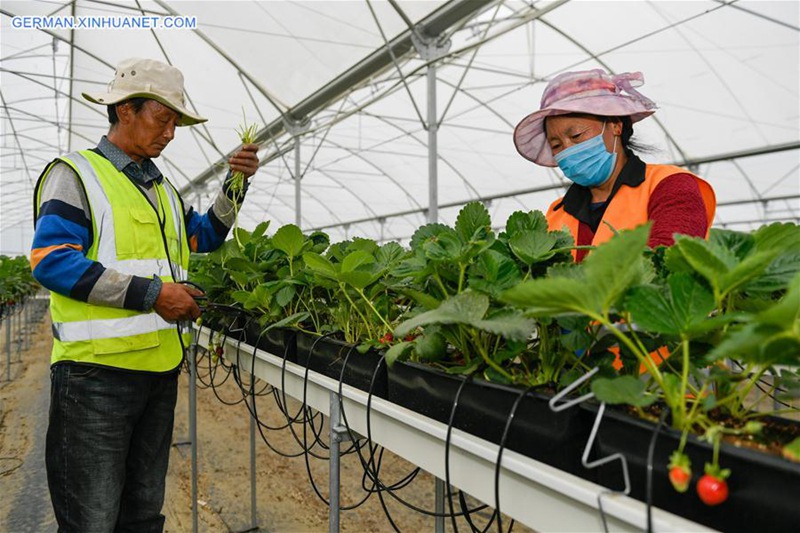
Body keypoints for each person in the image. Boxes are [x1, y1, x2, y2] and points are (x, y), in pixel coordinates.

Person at [30, 57, 259, 532]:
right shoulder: (76, 175)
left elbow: (204, 237)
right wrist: (154, 294)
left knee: (141, 517)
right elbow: (51, 260)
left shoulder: (162, 190)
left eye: (176, 122)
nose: (171, 133)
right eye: (164, 118)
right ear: (125, 110)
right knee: (92, 520)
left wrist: (237, 184)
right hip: (95, 379)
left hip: (157, 375)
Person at [514, 69, 716, 262]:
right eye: (556, 145)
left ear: (615, 126)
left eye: (576, 135)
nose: (568, 150)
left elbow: (667, 259)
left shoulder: (670, 186)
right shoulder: (557, 212)